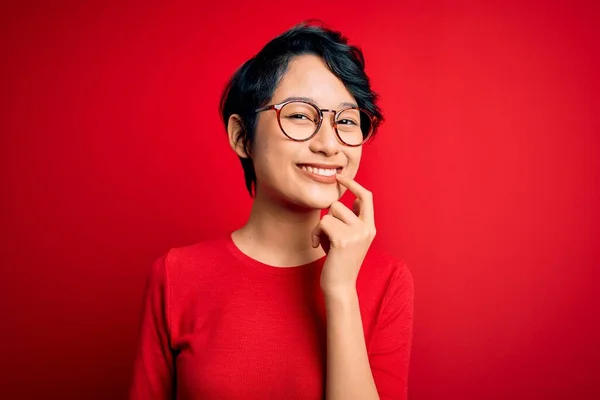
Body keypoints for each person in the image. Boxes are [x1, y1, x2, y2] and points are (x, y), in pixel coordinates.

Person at [129, 21, 414, 400]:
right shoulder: (176, 274)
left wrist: (341, 291)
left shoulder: (388, 281)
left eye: (346, 120)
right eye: (300, 115)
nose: (330, 144)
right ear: (241, 136)